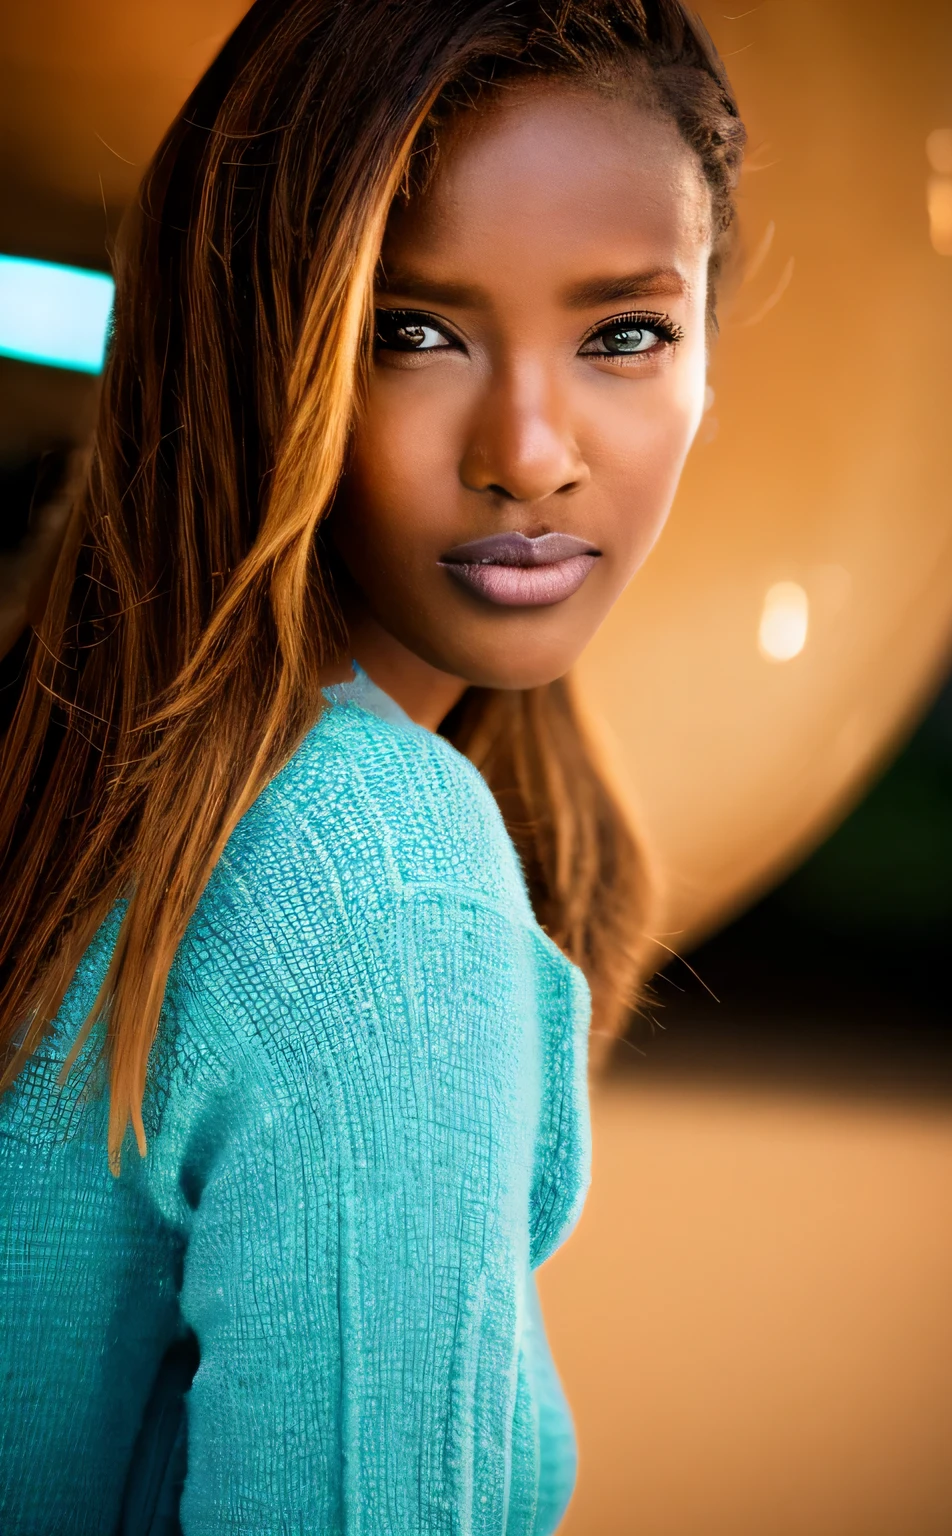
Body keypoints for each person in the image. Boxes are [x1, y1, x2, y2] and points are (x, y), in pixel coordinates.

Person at [0, 2, 744, 1531]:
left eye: (625, 334)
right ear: (251, 350)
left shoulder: (69, 758)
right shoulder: (370, 875)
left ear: (709, 360)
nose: (529, 450)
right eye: (411, 331)